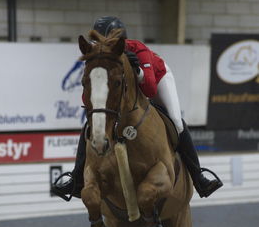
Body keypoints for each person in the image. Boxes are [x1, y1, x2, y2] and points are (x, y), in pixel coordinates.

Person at [51, 16, 222, 201]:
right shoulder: (96, 56)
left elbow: (150, 89)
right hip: (124, 90)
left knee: (175, 121)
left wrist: (138, 70)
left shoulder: (138, 49)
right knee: (90, 125)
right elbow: (87, 98)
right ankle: (76, 179)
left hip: (157, 77)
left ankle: (199, 178)